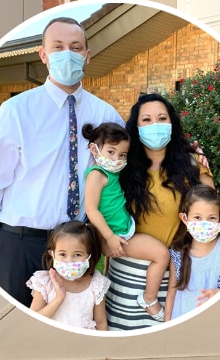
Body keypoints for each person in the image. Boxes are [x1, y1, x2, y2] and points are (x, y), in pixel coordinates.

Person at [0, 17, 122, 306]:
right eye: (58, 46)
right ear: (43, 55)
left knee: (74, 326)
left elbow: (128, 165)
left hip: (79, 245)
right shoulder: (16, 110)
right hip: (21, 243)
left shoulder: (106, 114)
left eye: (76, 47)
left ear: (87, 56)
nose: (68, 53)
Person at [105, 93, 220, 328]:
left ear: (172, 124)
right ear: (136, 127)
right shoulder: (121, 166)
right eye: (147, 120)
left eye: (162, 118)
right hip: (126, 280)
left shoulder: (192, 165)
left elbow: (216, 210)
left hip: (177, 279)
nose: (155, 125)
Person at [81, 122, 171, 321]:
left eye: (122, 155)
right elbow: (91, 210)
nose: (117, 159)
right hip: (116, 236)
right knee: (162, 254)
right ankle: (149, 298)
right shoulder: (97, 175)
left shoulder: (113, 173)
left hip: (121, 231)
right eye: (111, 152)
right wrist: (110, 237)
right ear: (94, 149)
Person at [165, 184, 220, 320]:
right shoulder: (177, 252)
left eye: (211, 218)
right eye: (197, 218)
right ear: (184, 218)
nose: (205, 223)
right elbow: (172, 293)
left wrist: (219, 293)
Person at [26, 221, 109, 330]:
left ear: (89, 256)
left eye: (77, 255)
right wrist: (58, 298)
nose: (69, 261)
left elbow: (101, 322)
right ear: (52, 254)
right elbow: (33, 320)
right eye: (63, 254)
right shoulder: (45, 283)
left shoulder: (96, 285)